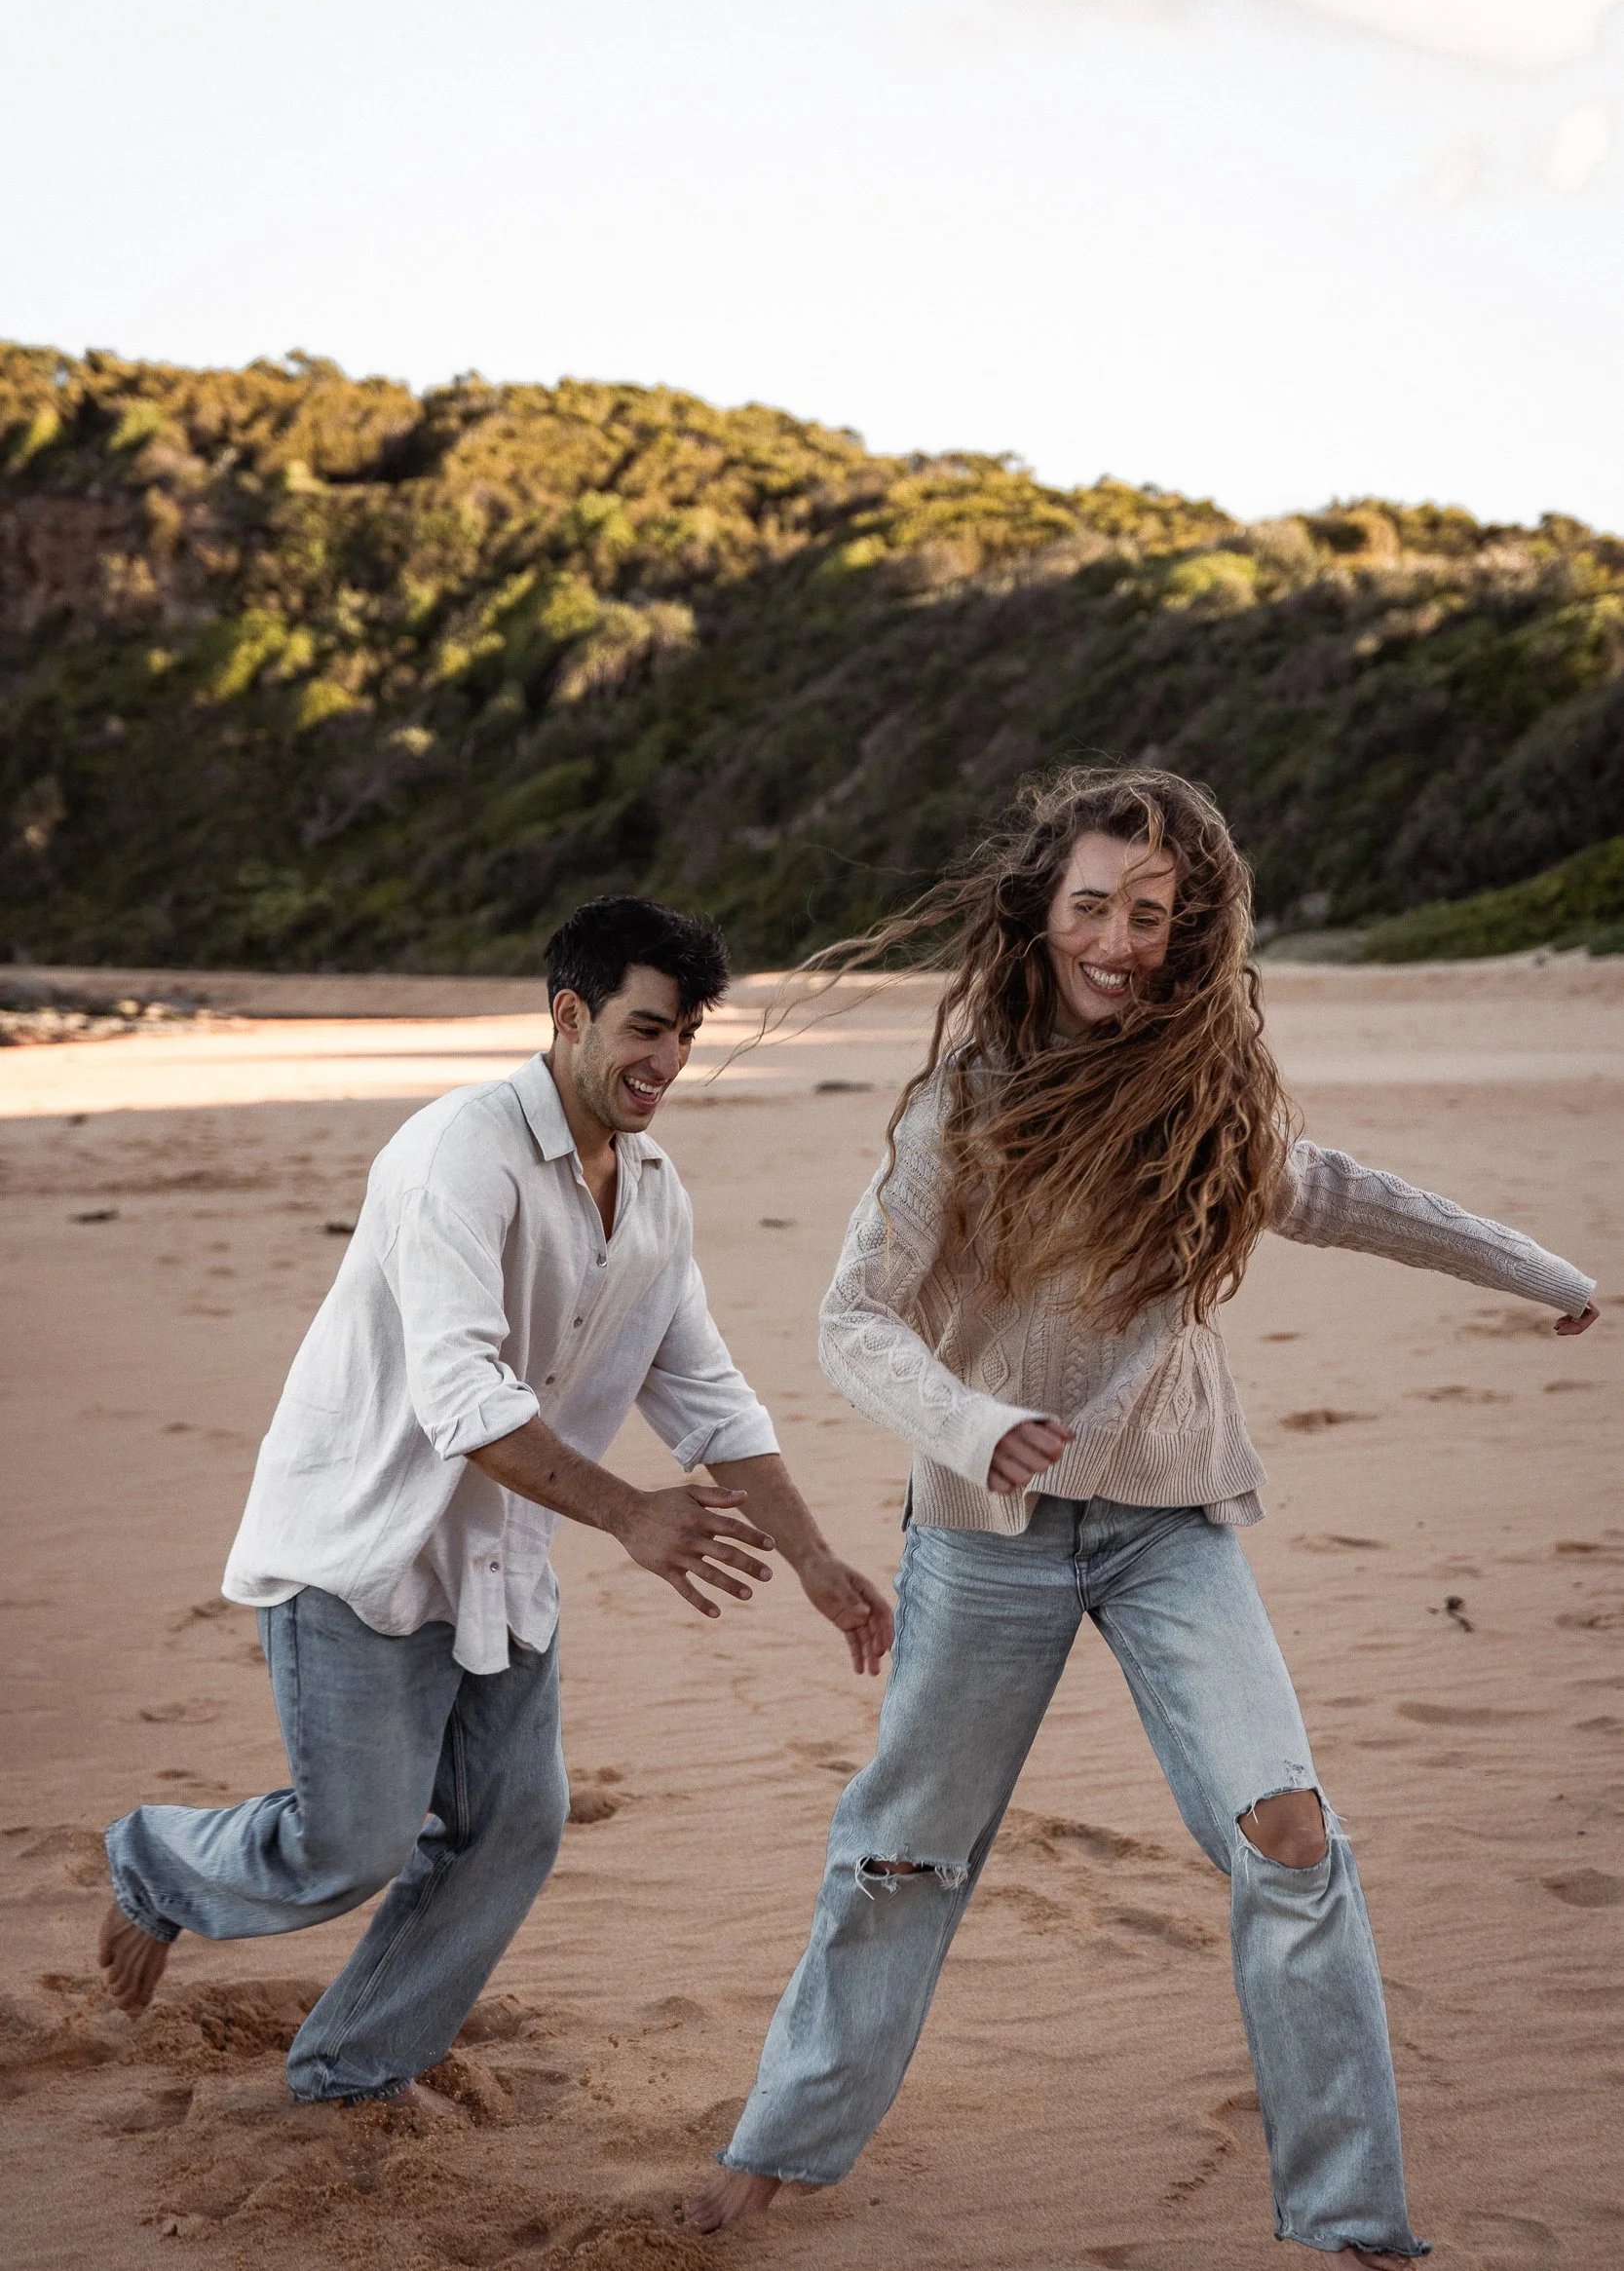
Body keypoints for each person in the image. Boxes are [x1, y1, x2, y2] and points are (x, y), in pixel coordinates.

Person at [688, 769, 1599, 2265]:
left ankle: (1352, 2221)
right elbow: (851, 1322)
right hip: (982, 1536)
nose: (1118, 940)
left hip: (1169, 1521)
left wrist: (1542, 1273)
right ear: (1041, 915)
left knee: (1286, 1832)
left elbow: (1341, 1196)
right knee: (903, 1851)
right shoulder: (961, 1108)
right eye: (1093, 908)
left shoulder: (1204, 1106)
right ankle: (775, 2154)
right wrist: (979, 1425)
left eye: (1151, 917)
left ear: (1190, 937)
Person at [99, 895, 893, 2103]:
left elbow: (707, 1395)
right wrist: (632, 1514)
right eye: (642, 1029)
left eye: (683, 1035)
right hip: (361, 1551)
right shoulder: (454, 1154)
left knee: (514, 1823)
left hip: (501, 1560)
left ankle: (354, 2067)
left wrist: (813, 1560)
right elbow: (459, 1393)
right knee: (351, 1844)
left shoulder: (655, 1192)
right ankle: (156, 1861)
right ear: (568, 1014)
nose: (665, 1062)